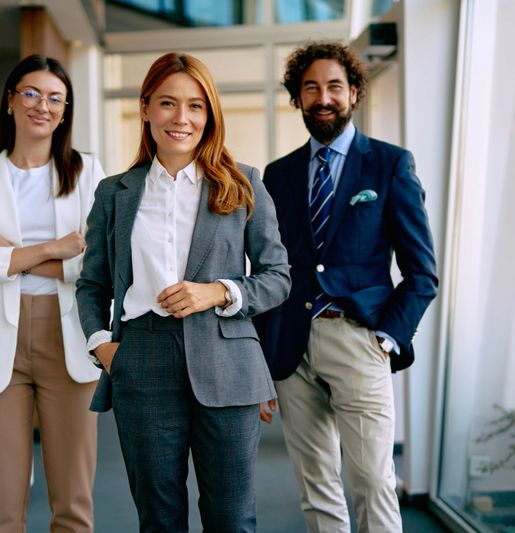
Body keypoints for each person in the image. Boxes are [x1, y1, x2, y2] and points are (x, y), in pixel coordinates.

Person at [75, 52, 290, 532]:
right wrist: (102, 347)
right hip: (141, 360)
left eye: (195, 105)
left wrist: (217, 291)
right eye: (168, 103)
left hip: (226, 360)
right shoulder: (115, 193)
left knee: (231, 520)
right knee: (159, 519)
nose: (181, 118)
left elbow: (278, 276)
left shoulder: (242, 184)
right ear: (146, 108)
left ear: (209, 114)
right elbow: (92, 283)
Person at [254, 41, 439, 532]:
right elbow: (271, 270)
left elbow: (422, 273)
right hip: (292, 348)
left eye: (334, 86)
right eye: (310, 88)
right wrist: (263, 359)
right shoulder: (278, 175)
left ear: (353, 93)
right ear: (297, 98)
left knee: (373, 483)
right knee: (316, 488)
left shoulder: (390, 165)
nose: (323, 97)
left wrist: (386, 339)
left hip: (359, 339)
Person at [0, 54, 105, 532]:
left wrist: (16, 254)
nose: (44, 105)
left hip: (70, 340)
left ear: (65, 110)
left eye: (56, 98)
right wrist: (55, 248)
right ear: (11, 101)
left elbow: (100, 261)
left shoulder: (88, 173)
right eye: (32, 93)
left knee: (73, 506)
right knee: (1, 511)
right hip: (2, 345)